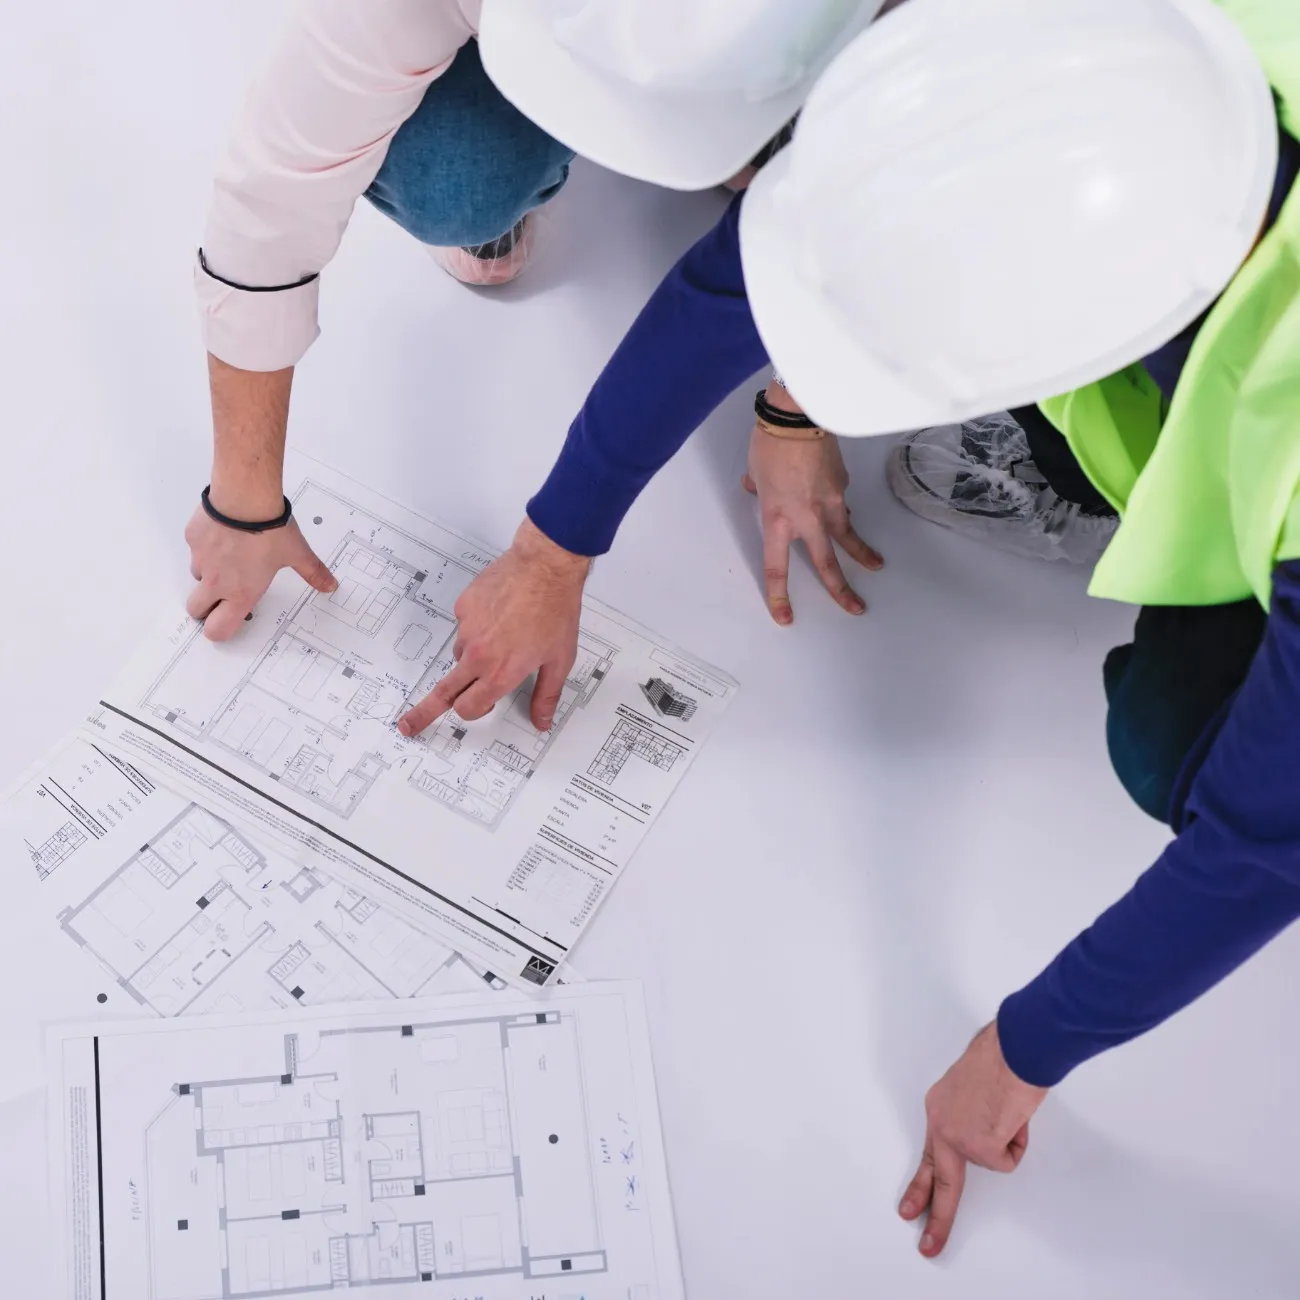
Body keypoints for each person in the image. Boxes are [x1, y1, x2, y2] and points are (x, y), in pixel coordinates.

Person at [735, 0, 1300, 1258]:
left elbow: (1261, 851)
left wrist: (1015, 1054)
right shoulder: (1177, 51)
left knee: (1179, 757)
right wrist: (790, 404)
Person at [183, 0, 885, 734]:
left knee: (834, 194)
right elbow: (273, 192)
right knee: (454, 181)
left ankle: (763, 142)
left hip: (846, 65)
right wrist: (243, 499)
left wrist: (798, 404)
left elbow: (813, 244)